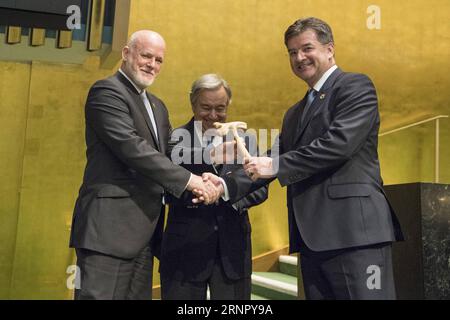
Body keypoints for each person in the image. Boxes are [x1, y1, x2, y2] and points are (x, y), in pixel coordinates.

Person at [237, 17, 404, 299]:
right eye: (292, 52)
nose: (299, 57)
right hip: (312, 241)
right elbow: (274, 157)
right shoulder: (294, 112)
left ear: (329, 49)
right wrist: (222, 185)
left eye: (307, 48)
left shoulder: (355, 86)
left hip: (355, 237)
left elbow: (338, 144)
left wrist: (275, 165)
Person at [69, 30, 221, 300]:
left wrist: (213, 156)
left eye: (159, 60)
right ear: (126, 54)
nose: (153, 64)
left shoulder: (156, 105)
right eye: (146, 56)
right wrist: (194, 181)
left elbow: (170, 151)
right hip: (108, 231)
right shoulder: (107, 91)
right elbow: (133, 149)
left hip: (145, 234)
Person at [160, 74, 268, 300]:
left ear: (228, 105)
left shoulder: (245, 141)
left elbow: (260, 189)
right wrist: (202, 193)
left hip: (233, 251)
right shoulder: (172, 141)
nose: (212, 115)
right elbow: (164, 189)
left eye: (220, 108)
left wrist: (224, 193)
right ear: (192, 103)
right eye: (205, 107)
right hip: (184, 251)